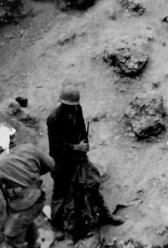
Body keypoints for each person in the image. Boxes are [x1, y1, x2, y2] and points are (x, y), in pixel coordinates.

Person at [45, 85, 123, 240]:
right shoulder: (53, 118)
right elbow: (55, 146)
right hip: (61, 161)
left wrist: (84, 144)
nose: (71, 108)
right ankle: (57, 225)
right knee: (60, 193)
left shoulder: (77, 109)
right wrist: (76, 147)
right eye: (68, 106)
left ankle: (104, 216)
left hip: (79, 157)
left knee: (91, 185)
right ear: (62, 103)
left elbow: (81, 129)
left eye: (73, 105)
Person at [0, 124, 54, 248]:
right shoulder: (30, 149)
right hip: (38, 197)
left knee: (11, 234)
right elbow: (50, 165)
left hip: (23, 204)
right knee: (25, 220)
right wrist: (31, 174)